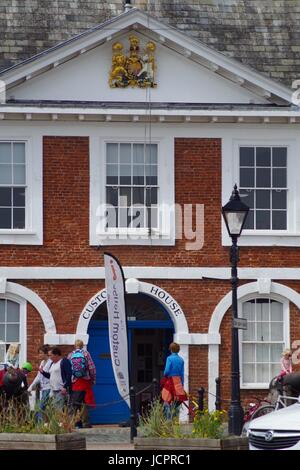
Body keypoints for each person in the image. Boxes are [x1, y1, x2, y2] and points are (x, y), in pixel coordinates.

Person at [68, 339, 96, 428]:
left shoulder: (70, 355)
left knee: (76, 402)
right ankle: (85, 422)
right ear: (83, 345)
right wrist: (93, 379)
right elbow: (92, 368)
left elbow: (69, 369)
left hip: (75, 382)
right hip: (85, 380)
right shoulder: (86, 354)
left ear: (74, 346)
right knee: (86, 402)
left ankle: (76, 423)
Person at [161, 342, 187, 419]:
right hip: (178, 381)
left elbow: (166, 371)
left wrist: (165, 376)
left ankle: (168, 419)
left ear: (171, 349)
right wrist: (181, 384)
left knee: (166, 399)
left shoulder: (169, 358)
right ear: (178, 350)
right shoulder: (181, 360)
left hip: (170, 381)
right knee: (177, 401)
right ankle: (174, 417)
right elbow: (182, 373)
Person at [28, 344, 52, 414]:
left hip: (49, 388)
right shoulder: (42, 362)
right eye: (39, 353)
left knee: (41, 408)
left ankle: (40, 424)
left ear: (46, 353)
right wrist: (30, 387)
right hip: (43, 388)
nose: (39, 355)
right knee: (41, 408)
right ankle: (42, 424)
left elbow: (51, 376)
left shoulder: (50, 362)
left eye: (41, 353)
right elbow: (38, 376)